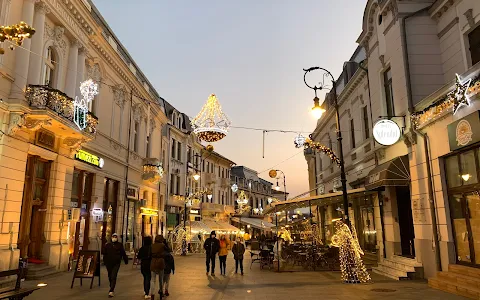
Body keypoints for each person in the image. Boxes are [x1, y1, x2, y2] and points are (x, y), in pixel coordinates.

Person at [103, 233, 128, 298]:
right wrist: (104, 261)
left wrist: (126, 260)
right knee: (110, 275)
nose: (114, 238)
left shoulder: (119, 245)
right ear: (111, 237)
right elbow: (104, 253)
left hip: (116, 263)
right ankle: (111, 285)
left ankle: (111, 290)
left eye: (115, 237)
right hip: (108, 263)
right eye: (113, 237)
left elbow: (123, 253)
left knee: (114, 275)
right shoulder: (108, 245)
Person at [151, 235, 166, 299]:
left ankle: (152, 294)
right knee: (161, 279)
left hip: (153, 262)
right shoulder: (162, 245)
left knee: (153, 280)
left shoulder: (152, 245)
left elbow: (150, 254)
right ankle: (161, 291)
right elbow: (167, 251)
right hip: (160, 262)